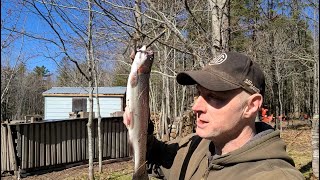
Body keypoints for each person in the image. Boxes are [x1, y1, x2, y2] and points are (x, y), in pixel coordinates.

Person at [123, 52, 304, 179]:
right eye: (199, 93)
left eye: (214, 97)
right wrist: (141, 127)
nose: (196, 107)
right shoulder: (196, 146)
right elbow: (153, 157)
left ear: (251, 106)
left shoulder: (274, 175)